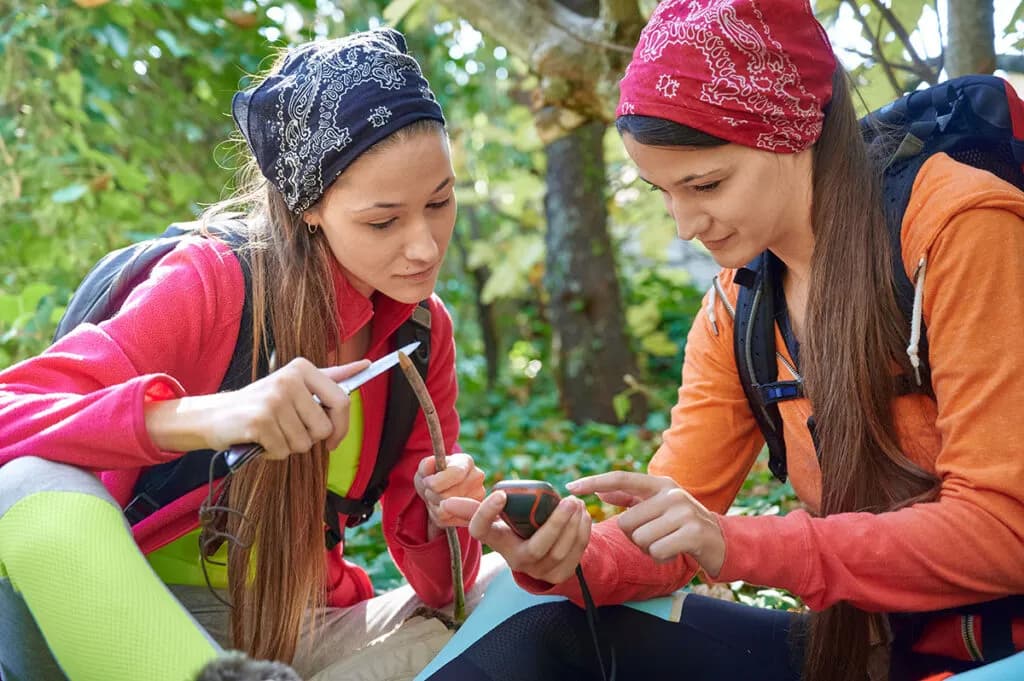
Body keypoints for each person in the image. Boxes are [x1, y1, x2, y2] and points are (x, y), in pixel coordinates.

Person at [429, 1, 1024, 680]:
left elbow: (1005, 530)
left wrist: (740, 543)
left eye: (706, 183)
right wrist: (569, 555)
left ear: (791, 131)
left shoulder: (961, 230)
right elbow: (671, 518)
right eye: (663, 192)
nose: (685, 224)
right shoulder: (738, 305)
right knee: (539, 623)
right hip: (881, 650)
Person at [0, 27, 496, 681]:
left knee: (512, 589)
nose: (426, 247)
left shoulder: (422, 334)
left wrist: (444, 517)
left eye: (441, 202)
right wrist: (210, 417)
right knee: (29, 477)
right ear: (311, 208)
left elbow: (446, 593)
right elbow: (15, 410)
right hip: (114, 618)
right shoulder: (213, 280)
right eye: (384, 221)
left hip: (297, 629)